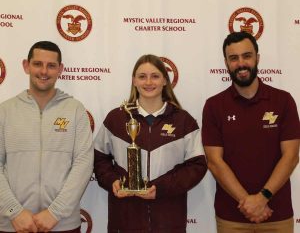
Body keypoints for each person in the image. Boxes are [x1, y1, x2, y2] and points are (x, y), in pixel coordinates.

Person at [94, 54, 207, 233]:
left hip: (168, 220)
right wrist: (113, 181)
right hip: (124, 220)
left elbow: (197, 166)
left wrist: (161, 188)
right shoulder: (116, 119)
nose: (148, 82)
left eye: (155, 76)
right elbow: (99, 159)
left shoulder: (183, 121)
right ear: (134, 81)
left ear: (164, 81)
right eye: (142, 76)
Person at [202, 31, 300, 233]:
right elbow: (214, 162)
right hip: (231, 218)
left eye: (247, 56)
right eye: (234, 58)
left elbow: (291, 157)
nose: (241, 63)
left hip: (276, 215)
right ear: (226, 63)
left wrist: (262, 198)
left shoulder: (283, 101)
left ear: (257, 58)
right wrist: (249, 203)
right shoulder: (214, 106)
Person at [0, 41, 93, 233]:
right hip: (13, 225)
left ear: (60, 69)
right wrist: (14, 212)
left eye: (51, 66)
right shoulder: (5, 111)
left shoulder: (75, 110)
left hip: (62, 224)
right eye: (37, 64)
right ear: (26, 66)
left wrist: (55, 212)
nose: (44, 71)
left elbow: (83, 164)